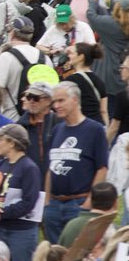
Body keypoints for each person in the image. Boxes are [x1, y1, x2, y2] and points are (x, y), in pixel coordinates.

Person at [44, 81, 108, 243]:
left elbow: (102, 168)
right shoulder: (57, 130)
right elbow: (50, 168)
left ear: (75, 100)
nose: (56, 106)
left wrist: (88, 202)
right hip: (54, 204)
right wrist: (47, 202)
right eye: (54, 102)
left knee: (76, 255)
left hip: (78, 202)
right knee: (56, 257)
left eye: (61, 101)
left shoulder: (95, 129)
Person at [0, 124, 43, 261]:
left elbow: (29, 202)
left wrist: (2, 213)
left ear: (12, 143)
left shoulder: (29, 167)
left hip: (21, 231)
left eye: (0, 139)